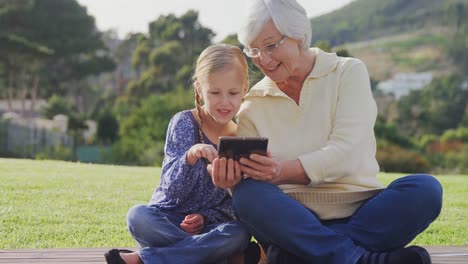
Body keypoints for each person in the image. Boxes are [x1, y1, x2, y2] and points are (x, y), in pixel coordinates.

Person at [208, 1, 443, 264]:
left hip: (360, 210)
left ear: (298, 35)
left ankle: (300, 256)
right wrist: (232, 183)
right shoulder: (253, 103)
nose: (263, 58)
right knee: (247, 196)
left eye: (271, 45)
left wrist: (282, 171)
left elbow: (348, 152)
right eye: (253, 50)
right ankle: (362, 260)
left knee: (425, 189)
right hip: (292, 218)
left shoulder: (347, 72)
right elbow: (256, 185)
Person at [105, 44, 260, 264]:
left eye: (233, 93)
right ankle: (220, 258)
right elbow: (170, 189)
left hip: (210, 227)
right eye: (215, 92)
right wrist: (190, 157)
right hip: (169, 219)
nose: (225, 102)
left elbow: (231, 205)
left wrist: (205, 218)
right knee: (137, 216)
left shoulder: (241, 138)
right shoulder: (184, 123)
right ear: (199, 89)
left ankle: (144, 259)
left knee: (239, 232)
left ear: (245, 89)